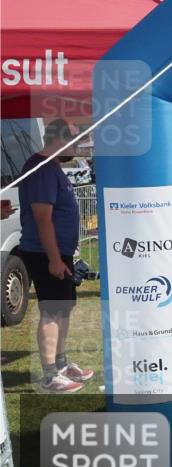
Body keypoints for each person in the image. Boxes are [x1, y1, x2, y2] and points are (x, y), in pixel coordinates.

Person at [17, 119, 94, 393]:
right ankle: (50, 375)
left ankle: (61, 364)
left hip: (59, 253)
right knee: (51, 311)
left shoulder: (52, 168)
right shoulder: (41, 169)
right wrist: (53, 259)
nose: (78, 146)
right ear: (59, 140)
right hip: (45, 254)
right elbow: (42, 218)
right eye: (75, 140)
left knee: (63, 308)